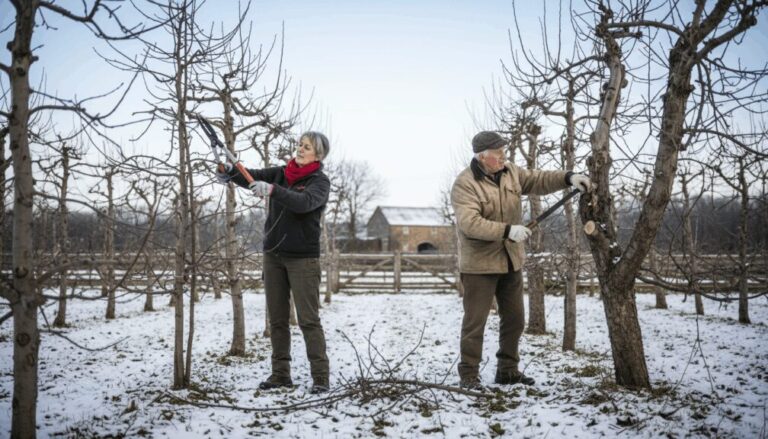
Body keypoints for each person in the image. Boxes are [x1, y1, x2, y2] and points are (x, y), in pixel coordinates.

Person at [450, 131, 591, 389]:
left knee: (515, 319)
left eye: (505, 152)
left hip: (510, 261)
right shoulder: (465, 184)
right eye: (499, 154)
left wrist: (569, 177)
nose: (505, 157)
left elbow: (538, 179)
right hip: (479, 266)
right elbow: (469, 224)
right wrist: (507, 230)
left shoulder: (511, 172)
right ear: (482, 157)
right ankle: (469, 375)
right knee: (475, 323)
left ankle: (508, 370)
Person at [216, 131, 331, 394]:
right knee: (277, 320)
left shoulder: (319, 182)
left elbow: (303, 203)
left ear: (319, 154)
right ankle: (280, 374)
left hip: (303, 259)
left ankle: (321, 378)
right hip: (273, 255)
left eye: (307, 147)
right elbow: (251, 177)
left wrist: (272, 190)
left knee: (308, 320)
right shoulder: (281, 172)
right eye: (300, 145)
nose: (300, 149)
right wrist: (229, 172)